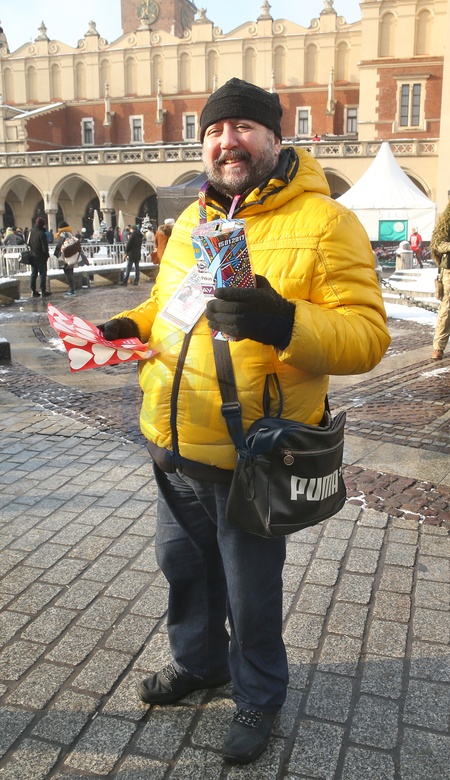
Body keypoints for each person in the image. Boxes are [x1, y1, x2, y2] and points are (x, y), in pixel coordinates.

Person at [98, 78, 390, 765]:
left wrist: (283, 320)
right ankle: (200, 663)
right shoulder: (194, 221)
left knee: (250, 591)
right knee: (182, 566)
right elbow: (168, 306)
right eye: (213, 131)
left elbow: (367, 336)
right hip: (172, 439)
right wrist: (127, 325)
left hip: (249, 454)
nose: (226, 142)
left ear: (276, 138)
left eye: (242, 128)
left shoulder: (325, 222)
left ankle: (258, 694)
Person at [430, 200, 450, 360]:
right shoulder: (447, 219)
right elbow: (437, 244)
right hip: (449, 271)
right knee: (447, 309)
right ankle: (439, 347)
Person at [54, 220, 79, 297]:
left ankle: (71, 290)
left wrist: (56, 253)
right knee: (71, 273)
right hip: (72, 256)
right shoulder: (70, 234)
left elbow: (59, 245)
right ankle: (72, 289)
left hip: (65, 257)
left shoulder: (63, 234)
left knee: (67, 273)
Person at [28, 217, 51, 298]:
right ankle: (43, 290)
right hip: (41, 257)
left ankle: (33, 290)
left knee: (34, 274)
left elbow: (28, 243)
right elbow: (45, 247)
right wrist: (46, 255)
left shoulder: (31, 232)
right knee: (42, 274)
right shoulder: (41, 233)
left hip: (33, 256)